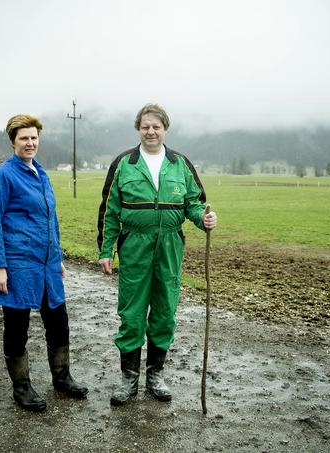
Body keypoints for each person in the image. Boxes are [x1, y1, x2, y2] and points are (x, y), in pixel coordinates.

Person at [97, 103, 218, 406]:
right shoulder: (124, 164)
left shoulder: (180, 164)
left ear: (165, 129)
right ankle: (129, 379)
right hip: (134, 248)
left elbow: (194, 202)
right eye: (145, 127)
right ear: (138, 129)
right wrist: (105, 250)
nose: (151, 132)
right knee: (132, 314)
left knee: (165, 313)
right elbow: (109, 212)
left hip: (170, 248)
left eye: (156, 126)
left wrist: (203, 219)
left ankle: (155, 375)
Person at [0, 114, 88, 412]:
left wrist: (57, 259)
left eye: (33, 138)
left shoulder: (41, 173)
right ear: (13, 141)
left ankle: (62, 378)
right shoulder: (3, 175)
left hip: (46, 265)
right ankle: (22, 388)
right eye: (24, 138)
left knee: (59, 323)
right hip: (18, 265)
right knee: (17, 329)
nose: (30, 143)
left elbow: (50, 219)